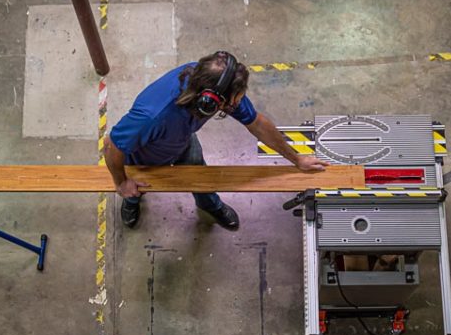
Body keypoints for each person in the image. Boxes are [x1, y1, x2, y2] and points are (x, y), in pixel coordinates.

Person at [103, 50, 329, 231]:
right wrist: (122, 182)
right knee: (135, 187)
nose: (239, 103)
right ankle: (131, 201)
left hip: (182, 143)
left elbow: (258, 124)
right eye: (236, 99)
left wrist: (296, 159)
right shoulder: (152, 116)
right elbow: (112, 145)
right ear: (211, 101)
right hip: (142, 158)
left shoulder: (213, 85)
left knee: (201, 177)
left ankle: (210, 205)